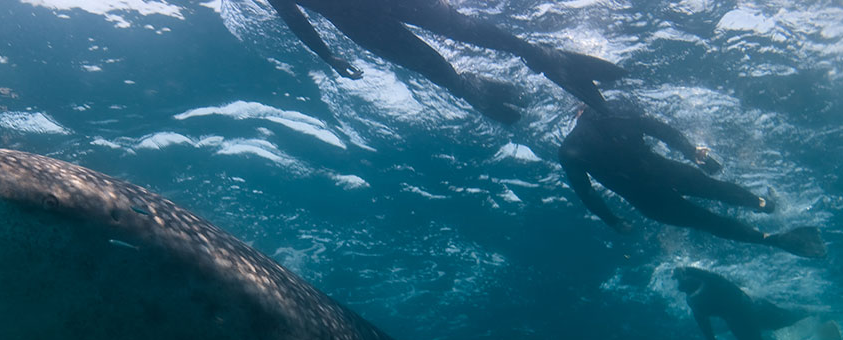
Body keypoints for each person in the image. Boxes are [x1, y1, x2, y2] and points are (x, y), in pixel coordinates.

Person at [267, 0, 625, 124]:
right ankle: (546, 62)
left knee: (443, 68)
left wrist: (327, 55)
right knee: (458, 39)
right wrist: (327, 55)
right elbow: (293, 17)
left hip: (362, 24)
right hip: (370, 18)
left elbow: (292, 17)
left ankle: (487, 90)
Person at [559, 102, 827, 258]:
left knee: (709, 222)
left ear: (576, 116)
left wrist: (614, 221)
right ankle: (766, 205)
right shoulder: (615, 114)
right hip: (665, 171)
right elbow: (660, 129)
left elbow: (587, 194)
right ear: (588, 107)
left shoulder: (569, 150)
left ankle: (771, 239)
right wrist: (692, 153)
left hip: (648, 201)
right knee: (717, 189)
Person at [673, 266, 841, 340]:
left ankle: (823, 315)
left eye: (682, 282)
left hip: (749, 309)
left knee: (784, 321)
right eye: (681, 283)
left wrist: (686, 269)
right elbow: (702, 323)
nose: (680, 286)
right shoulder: (693, 300)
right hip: (740, 318)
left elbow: (710, 276)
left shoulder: (710, 284)